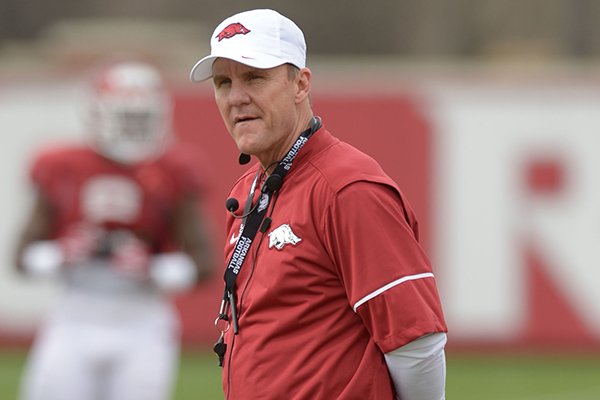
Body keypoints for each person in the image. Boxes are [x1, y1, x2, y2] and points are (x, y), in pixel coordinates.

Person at [189, 8, 447, 400]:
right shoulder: (250, 192)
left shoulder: (347, 188)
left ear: (300, 84)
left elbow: (415, 342)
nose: (237, 97)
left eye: (255, 77)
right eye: (223, 82)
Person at [14, 59, 214, 400]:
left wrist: (149, 267)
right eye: (125, 116)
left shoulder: (174, 169)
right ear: (96, 113)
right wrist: (64, 253)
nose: (133, 128)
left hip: (143, 320)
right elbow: (22, 258)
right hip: (73, 317)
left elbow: (204, 266)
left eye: (141, 118)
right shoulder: (61, 165)